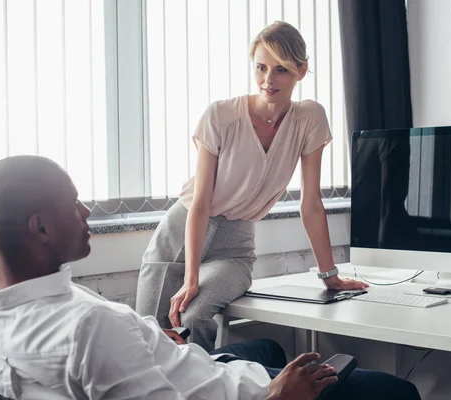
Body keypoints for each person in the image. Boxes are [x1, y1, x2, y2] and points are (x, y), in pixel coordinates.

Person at [0, 155, 422, 400]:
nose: (86, 212)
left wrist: (146, 335)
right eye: (73, 203)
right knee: (396, 394)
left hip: (184, 366)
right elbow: (96, 338)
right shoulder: (90, 332)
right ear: (40, 228)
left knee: (265, 345)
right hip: (234, 393)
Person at [136, 20, 368, 352]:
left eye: (281, 70)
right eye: (261, 67)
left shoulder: (310, 119)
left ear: (301, 71)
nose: (268, 80)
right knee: (148, 339)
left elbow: (312, 204)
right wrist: (190, 278)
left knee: (194, 317)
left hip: (235, 246)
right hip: (182, 235)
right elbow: (201, 202)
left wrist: (328, 275)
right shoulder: (221, 115)